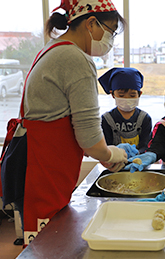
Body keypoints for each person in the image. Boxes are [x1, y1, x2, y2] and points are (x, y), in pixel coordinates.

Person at [0, 0, 128, 246]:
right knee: (48, 248)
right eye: (110, 31)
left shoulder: (53, 48)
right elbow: (90, 138)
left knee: (41, 245)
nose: (110, 40)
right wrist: (112, 153)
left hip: (35, 161)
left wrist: (101, 154)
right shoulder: (75, 58)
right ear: (91, 23)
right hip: (43, 169)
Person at [98, 67, 152, 154]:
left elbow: (145, 145)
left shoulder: (144, 118)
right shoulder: (107, 119)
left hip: (139, 162)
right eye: (121, 95)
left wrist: (137, 156)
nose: (127, 99)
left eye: (132, 95)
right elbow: (106, 147)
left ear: (139, 94)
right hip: (114, 163)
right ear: (112, 94)